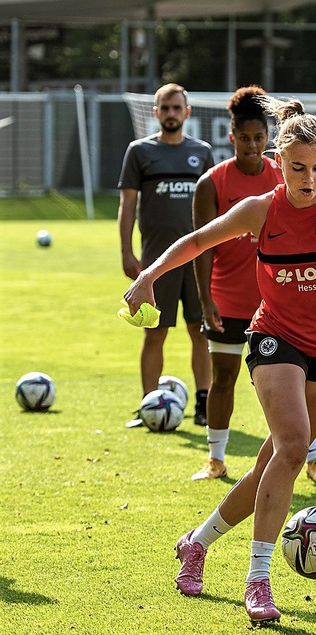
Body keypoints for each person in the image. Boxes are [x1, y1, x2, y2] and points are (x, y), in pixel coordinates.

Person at [123, 94, 316, 624]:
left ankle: (196, 542)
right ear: (279, 162)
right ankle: (259, 580)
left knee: (273, 462)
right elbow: (197, 240)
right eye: (296, 168)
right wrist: (148, 277)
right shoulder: (260, 210)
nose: (307, 179)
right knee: (293, 447)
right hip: (276, 337)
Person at [190, 85, 316, 485]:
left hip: (279, 307)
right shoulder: (212, 183)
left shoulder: (288, 175)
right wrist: (205, 299)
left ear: (268, 141)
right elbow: (202, 246)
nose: (252, 146)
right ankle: (216, 459)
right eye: (244, 138)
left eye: (259, 138)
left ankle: (312, 458)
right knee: (223, 378)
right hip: (227, 299)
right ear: (231, 136)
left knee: (299, 386)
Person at [118, 82, 215, 428]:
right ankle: (148, 407)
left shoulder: (202, 152)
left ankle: (205, 404)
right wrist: (127, 251)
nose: (171, 113)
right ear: (155, 112)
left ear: (187, 113)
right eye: (165, 108)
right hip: (156, 261)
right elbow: (127, 205)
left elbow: (214, 209)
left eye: (177, 108)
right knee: (154, 332)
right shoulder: (139, 152)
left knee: (199, 330)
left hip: (198, 257)